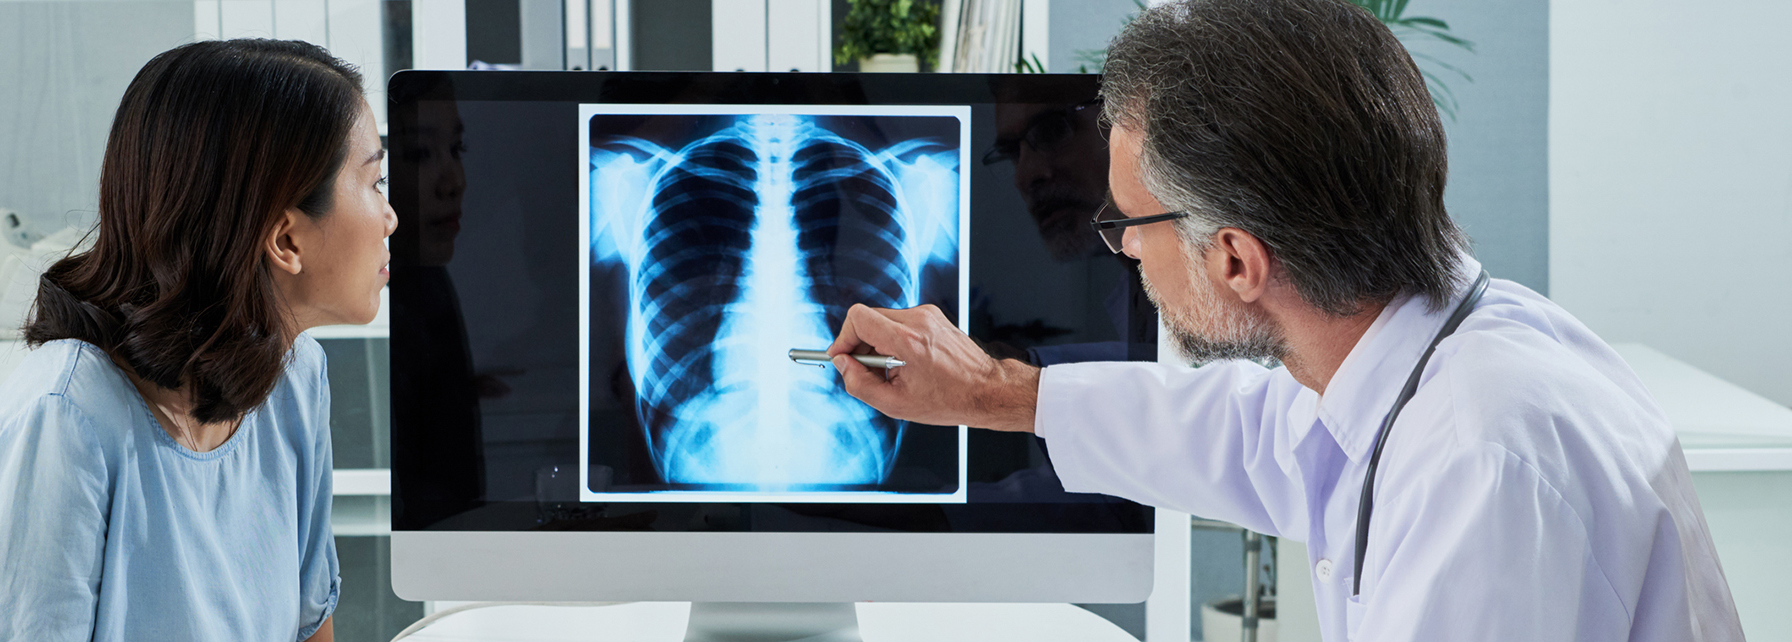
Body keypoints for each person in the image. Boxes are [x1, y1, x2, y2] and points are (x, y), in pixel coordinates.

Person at [825, 1, 1745, 640]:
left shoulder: (1482, 467)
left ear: (1234, 258)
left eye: (1126, 225)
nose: (1123, 252)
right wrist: (993, 392)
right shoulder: (1441, 350)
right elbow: (1256, 434)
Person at [0, 39, 395, 641]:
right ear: (286, 240)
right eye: (376, 183)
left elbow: (309, 624)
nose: (391, 217)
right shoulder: (67, 414)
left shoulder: (297, 376)